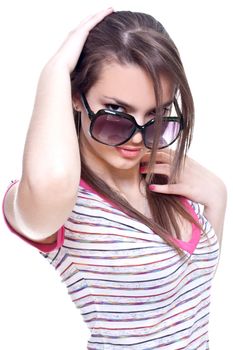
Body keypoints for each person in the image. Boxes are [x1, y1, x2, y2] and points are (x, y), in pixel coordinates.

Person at [2, 7, 227, 349]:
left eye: (157, 114)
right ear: (76, 98)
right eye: (116, 113)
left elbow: (191, 294)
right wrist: (56, 70)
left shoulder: (163, 174)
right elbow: (52, 180)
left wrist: (216, 194)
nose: (138, 137)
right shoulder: (62, 201)